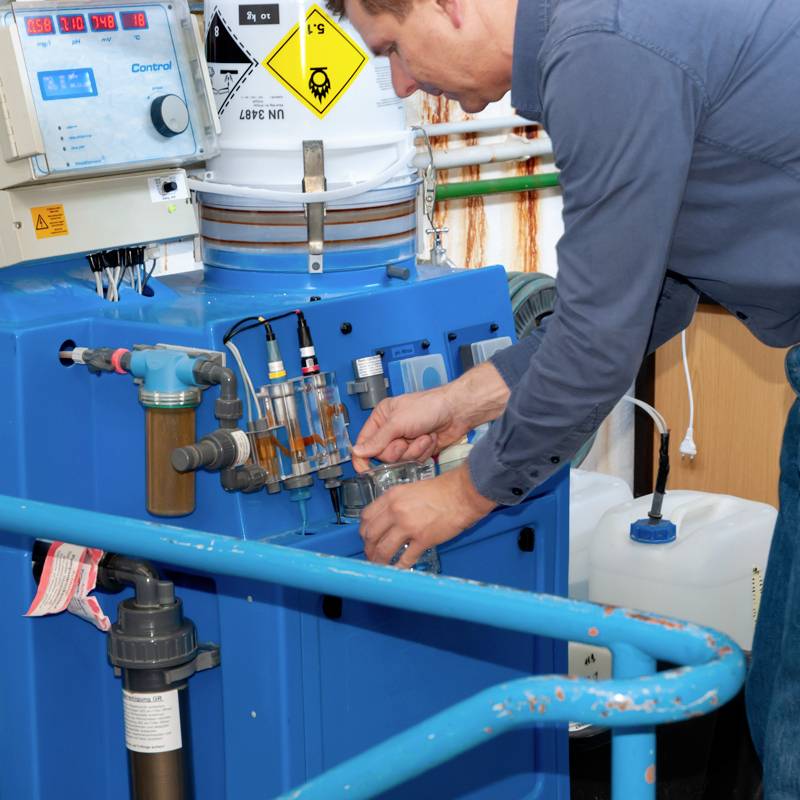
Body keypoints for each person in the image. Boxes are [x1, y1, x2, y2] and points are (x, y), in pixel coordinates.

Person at [326, 0, 800, 794]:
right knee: (782, 702)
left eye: (394, 51)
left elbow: (596, 340)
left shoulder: (603, 48)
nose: (404, 84)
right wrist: (459, 404)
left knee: (792, 724)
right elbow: (656, 297)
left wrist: (463, 494)